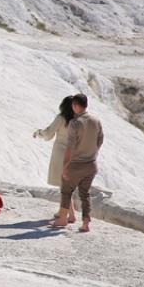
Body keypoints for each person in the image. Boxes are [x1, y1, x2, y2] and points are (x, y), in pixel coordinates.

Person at [51, 95, 104, 232]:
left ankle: (63, 219)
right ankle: (86, 223)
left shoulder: (76, 123)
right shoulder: (96, 120)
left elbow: (70, 147)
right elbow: (100, 140)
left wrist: (65, 167)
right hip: (91, 164)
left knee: (66, 191)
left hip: (76, 164)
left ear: (75, 105)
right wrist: (93, 153)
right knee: (85, 194)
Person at [35, 97, 78, 222]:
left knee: (63, 186)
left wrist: (38, 133)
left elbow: (48, 134)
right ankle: (62, 211)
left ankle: (71, 215)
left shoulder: (61, 118)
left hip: (61, 154)